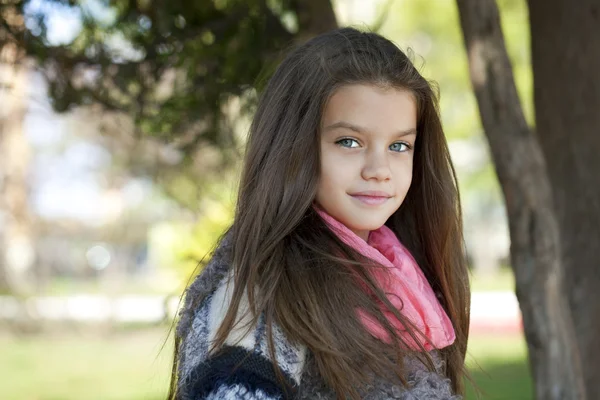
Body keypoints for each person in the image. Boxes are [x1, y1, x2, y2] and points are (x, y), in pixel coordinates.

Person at [168, 27, 470, 400]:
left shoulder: (401, 271)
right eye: (349, 141)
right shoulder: (266, 290)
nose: (379, 168)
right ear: (292, 147)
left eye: (399, 145)